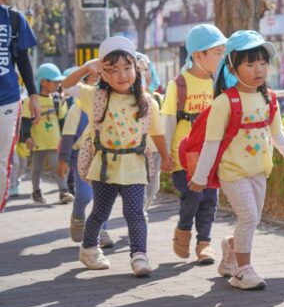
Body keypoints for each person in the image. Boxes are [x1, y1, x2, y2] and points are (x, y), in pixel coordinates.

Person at [189, 30, 284, 290]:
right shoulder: (224, 102)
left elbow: (277, 135)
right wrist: (199, 178)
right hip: (232, 172)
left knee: (252, 219)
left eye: (262, 62)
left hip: (259, 171)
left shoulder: (269, 98)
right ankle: (242, 271)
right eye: (250, 63)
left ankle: (230, 250)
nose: (258, 69)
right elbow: (211, 144)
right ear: (232, 67)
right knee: (248, 217)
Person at [62, 36, 172, 276]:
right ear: (103, 74)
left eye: (127, 67)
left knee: (135, 213)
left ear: (136, 68)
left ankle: (139, 255)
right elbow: (66, 85)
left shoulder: (147, 102)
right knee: (100, 212)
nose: (122, 75)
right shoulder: (95, 96)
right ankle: (89, 250)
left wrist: (167, 157)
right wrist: (85, 67)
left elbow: (158, 134)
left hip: (135, 166)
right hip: (104, 167)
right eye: (113, 70)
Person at [161, 24, 226, 265]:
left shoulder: (220, 83)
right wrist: (165, 154)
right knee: (193, 196)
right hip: (184, 156)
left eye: (222, 52)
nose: (221, 57)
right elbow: (167, 121)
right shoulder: (178, 84)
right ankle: (183, 229)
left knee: (210, 199)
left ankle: (204, 244)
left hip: (211, 154)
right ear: (198, 55)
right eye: (217, 53)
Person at [58, 67, 113, 247]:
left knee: (103, 196)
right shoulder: (77, 107)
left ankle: (102, 230)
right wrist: (63, 159)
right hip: (80, 156)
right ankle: (78, 216)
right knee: (84, 195)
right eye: (91, 78)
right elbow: (67, 134)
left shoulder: (110, 102)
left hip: (104, 156)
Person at [0, 0, 40, 210]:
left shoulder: (14, 19)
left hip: (8, 98)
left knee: (3, 158)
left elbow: (23, 60)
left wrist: (34, 95)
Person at [21, 63, 72, 204]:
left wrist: (65, 139)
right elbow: (25, 121)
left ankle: (63, 191)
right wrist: (27, 137)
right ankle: (36, 191)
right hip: (38, 142)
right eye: (55, 81)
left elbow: (62, 121)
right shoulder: (30, 101)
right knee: (37, 168)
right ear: (43, 82)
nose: (58, 84)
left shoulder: (56, 99)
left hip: (55, 142)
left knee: (57, 165)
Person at [137, 52, 163, 214]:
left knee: (153, 187)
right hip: (135, 152)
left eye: (145, 68)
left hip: (154, 150)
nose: (142, 73)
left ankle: (141, 211)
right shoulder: (124, 99)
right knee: (138, 186)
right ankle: (139, 216)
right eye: (138, 68)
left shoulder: (158, 99)